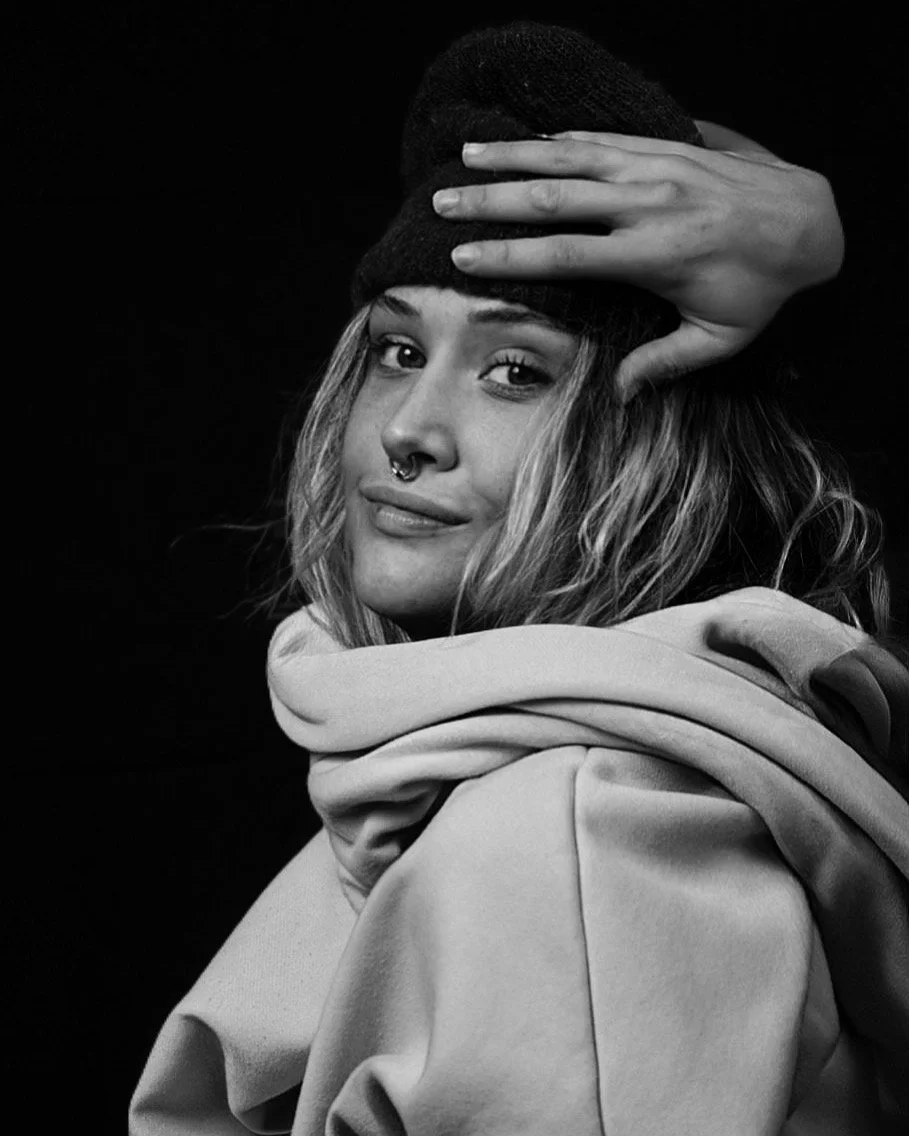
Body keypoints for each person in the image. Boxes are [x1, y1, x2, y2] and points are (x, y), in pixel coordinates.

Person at [129, 21, 908, 1136]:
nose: (408, 431)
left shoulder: (575, 841)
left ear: (663, 454)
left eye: (516, 371)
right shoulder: (439, 753)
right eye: (398, 350)